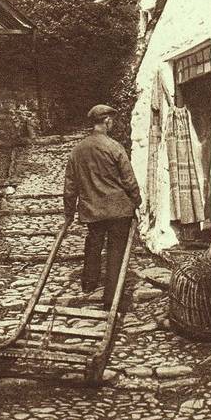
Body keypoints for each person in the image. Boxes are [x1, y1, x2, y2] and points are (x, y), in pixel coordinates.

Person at [63, 104, 142, 310]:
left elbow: (70, 185)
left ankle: (89, 282)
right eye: (111, 121)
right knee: (116, 250)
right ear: (107, 121)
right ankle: (111, 297)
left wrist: (69, 212)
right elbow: (129, 180)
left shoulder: (77, 151)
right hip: (118, 210)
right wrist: (137, 201)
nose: (112, 124)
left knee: (94, 242)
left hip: (92, 210)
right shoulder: (115, 147)